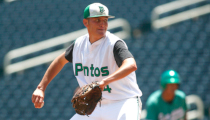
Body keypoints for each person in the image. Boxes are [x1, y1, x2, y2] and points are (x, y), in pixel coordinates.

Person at [32, 3, 142, 120]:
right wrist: (41, 88)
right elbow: (60, 61)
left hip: (123, 101)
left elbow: (131, 65)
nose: (102, 24)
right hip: (96, 106)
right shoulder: (79, 45)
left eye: (105, 20)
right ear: (86, 22)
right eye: (97, 20)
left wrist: (104, 82)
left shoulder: (114, 43)